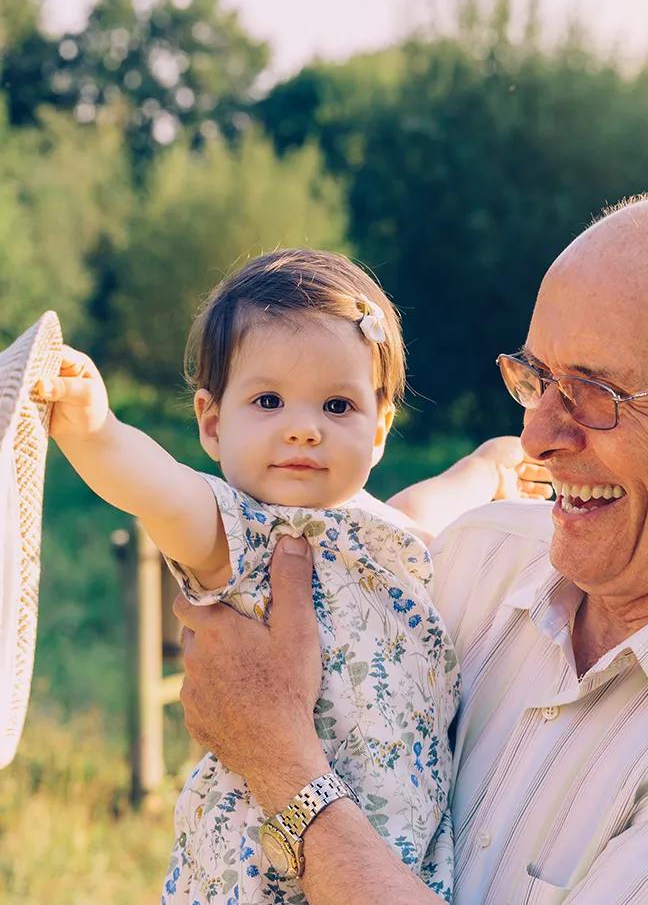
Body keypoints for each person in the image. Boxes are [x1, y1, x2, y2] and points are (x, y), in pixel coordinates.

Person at [175, 188, 648, 903]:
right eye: (535, 379)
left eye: (597, 394)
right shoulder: (475, 559)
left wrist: (281, 764)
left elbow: (269, 725)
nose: (535, 437)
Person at [35, 249, 546, 904]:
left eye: (337, 406)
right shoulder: (240, 536)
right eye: (268, 400)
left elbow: (458, 486)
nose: (303, 429)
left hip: (389, 863)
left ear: (379, 428)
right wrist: (95, 430)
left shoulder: (394, 533)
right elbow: (155, 489)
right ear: (213, 424)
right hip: (264, 872)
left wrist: (499, 461)